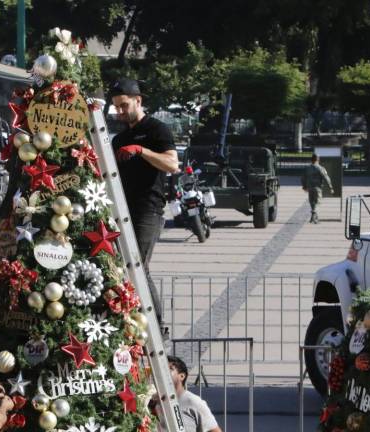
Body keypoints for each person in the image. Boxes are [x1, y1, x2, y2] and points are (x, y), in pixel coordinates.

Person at [109, 78, 179, 332]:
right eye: (116, 107)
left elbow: (172, 164)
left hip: (147, 209)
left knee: (137, 266)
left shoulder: (156, 129)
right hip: (121, 210)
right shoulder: (118, 139)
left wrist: (141, 150)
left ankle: (157, 328)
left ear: (138, 101)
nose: (120, 111)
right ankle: (130, 321)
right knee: (121, 267)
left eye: (124, 105)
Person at [152, 356, 222, 432]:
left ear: (182, 376)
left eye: (170, 369)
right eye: (161, 368)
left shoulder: (194, 402)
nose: (163, 372)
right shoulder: (152, 401)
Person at [301, 153, 333, 224]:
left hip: (310, 188)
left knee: (312, 202)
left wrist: (304, 186)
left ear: (311, 159)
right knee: (317, 202)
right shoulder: (320, 168)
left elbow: (303, 178)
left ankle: (314, 217)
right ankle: (313, 215)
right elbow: (326, 177)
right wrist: (330, 187)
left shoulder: (307, 168)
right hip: (317, 188)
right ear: (318, 159)